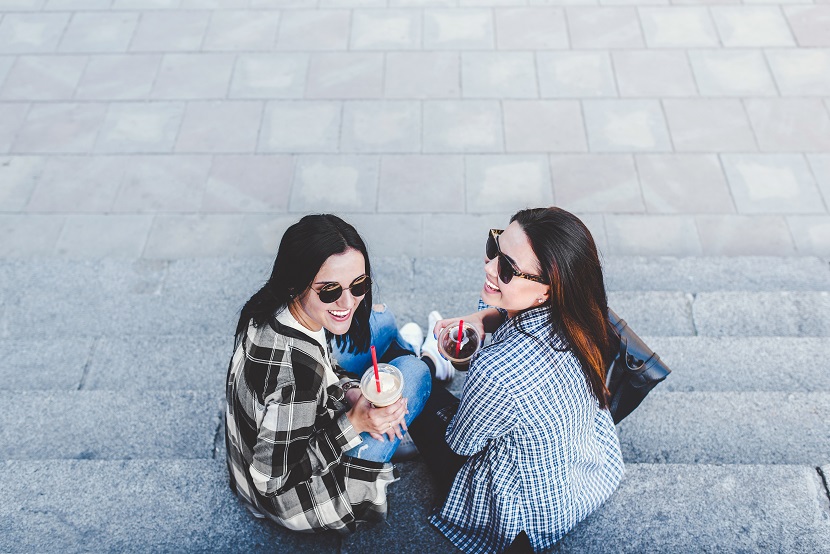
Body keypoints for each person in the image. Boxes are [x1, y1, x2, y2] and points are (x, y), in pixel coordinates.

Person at [408, 207, 624, 553]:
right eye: (494, 247)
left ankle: (427, 361)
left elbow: (461, 445)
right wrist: (481, 316)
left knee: (414, 379)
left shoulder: (495, 371)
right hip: (588, 473)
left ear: (547, 291)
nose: (489, 266)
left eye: (507, 268)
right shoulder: (585, 316)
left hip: (522, 518)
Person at [224, 214, 431, 534]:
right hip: (297, 501)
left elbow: (321, 361)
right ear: (296, 282)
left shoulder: (270, 308)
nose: (348, 302)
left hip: (254, 451)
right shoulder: (299, 382)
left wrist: (348, 391)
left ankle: (392, 416)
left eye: (359, 285)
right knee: (416, 373)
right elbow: (270, 483)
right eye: (329, 290)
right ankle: (397, 423)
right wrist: (354, 423)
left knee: (383, 321)